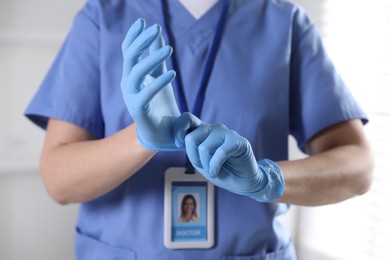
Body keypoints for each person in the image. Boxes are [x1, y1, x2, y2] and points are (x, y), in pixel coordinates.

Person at [24, 0, 374, 259]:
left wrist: (267, 180)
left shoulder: (284, 23)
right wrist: (141, 138)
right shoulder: (104, 16)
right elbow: (59, 180)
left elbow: (358, 166)